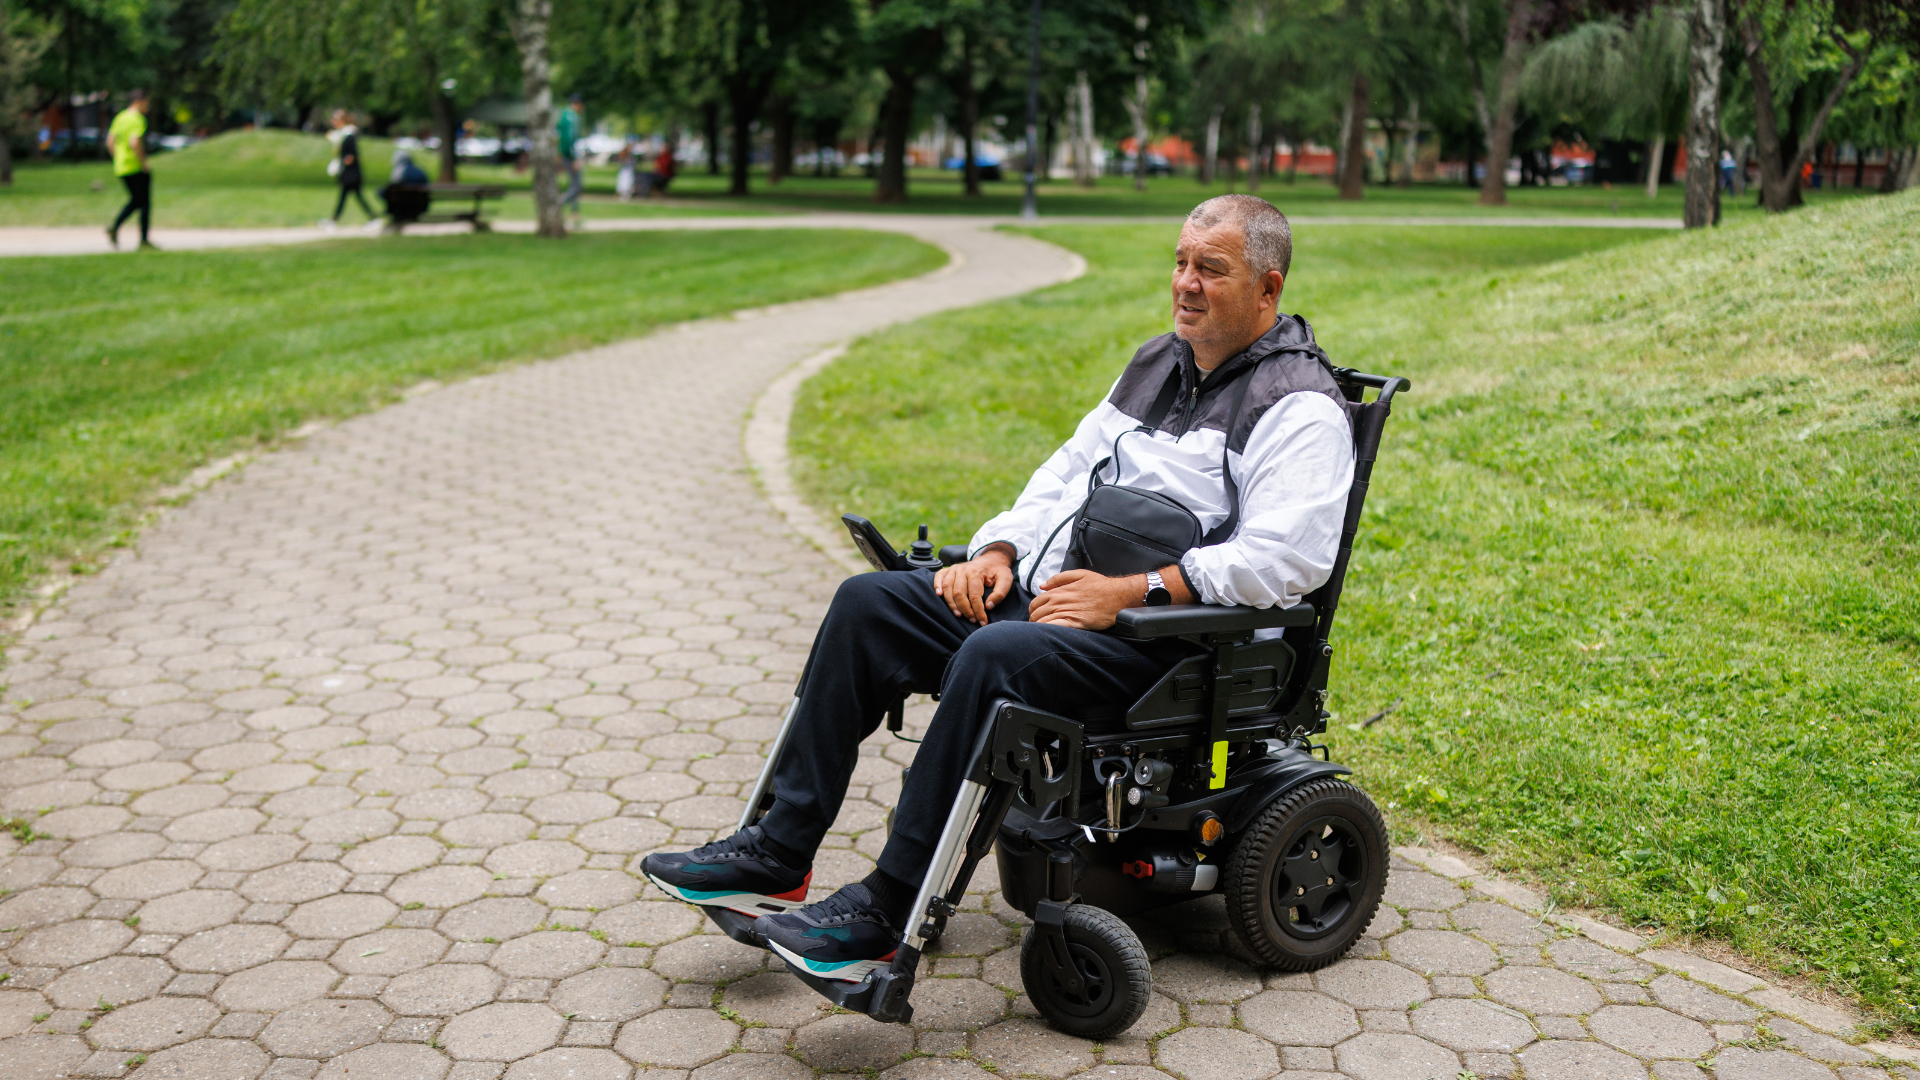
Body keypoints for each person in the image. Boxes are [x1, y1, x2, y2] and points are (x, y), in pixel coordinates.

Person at [641, 194, 1355, 982]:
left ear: (1267, 288)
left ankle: (886, 910)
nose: (1185, 283)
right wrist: (999, 549)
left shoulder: (1297, 406)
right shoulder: (1161, 362)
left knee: (995, 657)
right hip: (1064, 606)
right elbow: (1066, 473)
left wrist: (1129, 592)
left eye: (1210, 269)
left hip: (1173, 645)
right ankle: (778, 853)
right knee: (870, 606)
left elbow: (1286, 559)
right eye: (1180, 262)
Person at [106, 89, 155, 250]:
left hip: (121, 166)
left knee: (136, 201)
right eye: (146, 103)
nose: (148, 106)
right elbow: (135, 143)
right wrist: (143, 163)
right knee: (144, 203)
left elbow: (109, 142)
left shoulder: (120, 117)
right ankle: (144, 240)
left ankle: (115, 227)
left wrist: (117, 158)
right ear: (139, 101)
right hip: (134, 166)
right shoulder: (137, 119)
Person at [324, 110, 376, 227]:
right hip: (348, 174)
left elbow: (352, 155)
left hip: (351, 173)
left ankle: (334, 220)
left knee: (348, 197)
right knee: (350, 197)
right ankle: (334, 220)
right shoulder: (342, 136)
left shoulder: (349, 136)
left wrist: (340, 163)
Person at [379, 148, 432, 225]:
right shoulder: (420, 171)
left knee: (385, 192)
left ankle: (397, 215)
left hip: (403, 204)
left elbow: (393, 186)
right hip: (420, 204)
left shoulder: (399, 171)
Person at [557, 95, 584, 223]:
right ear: (578, 104)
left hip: (565, 154)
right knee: (577, 186)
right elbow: (571, 138)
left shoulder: (563, 115)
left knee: (573, 184)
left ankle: (574, 213)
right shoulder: (573, 117)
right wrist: (575, 158)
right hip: (571, 156)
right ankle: (558, 203)